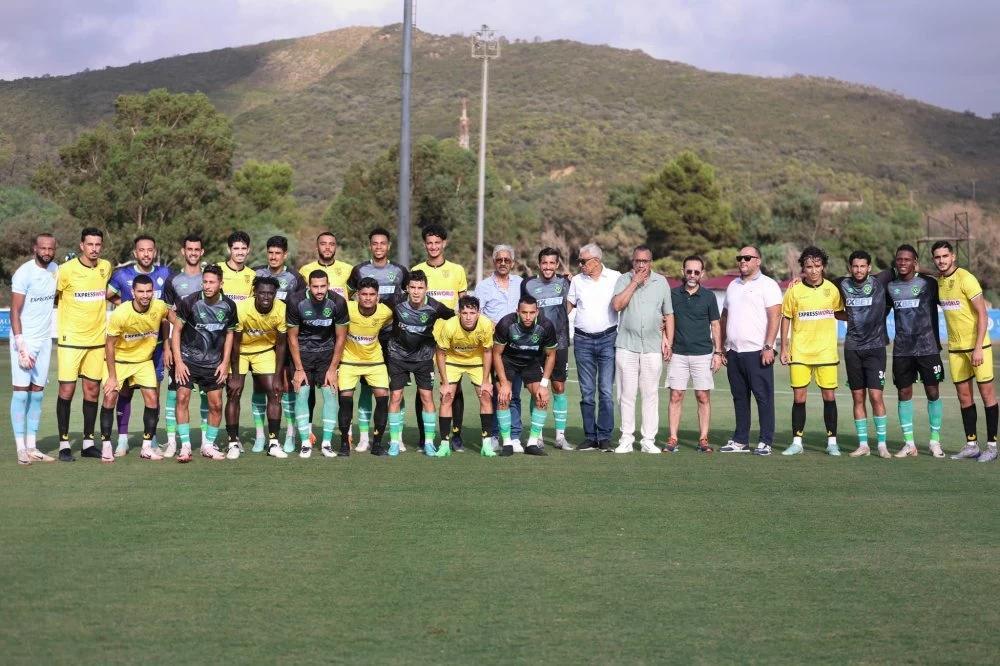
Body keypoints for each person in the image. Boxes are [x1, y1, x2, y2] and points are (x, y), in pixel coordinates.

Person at [932, 241, 999, 461]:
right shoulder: (941, 279)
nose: (941, 260)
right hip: (956, 349)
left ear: (953, 257)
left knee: (987, 394)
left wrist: (978, 347)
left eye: (945, 256)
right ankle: (971, 445)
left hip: (977, 347)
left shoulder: (967, 279)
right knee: (963, 396)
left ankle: (991, 446)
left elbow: (983, 314)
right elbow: (937, 272)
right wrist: (919, 269)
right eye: (937, 257)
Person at [106, 234, 172, 456]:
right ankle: (122, 440)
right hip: (129, 345)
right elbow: (108, 295)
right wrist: (126, 306)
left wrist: (170, 343)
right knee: (124, 392)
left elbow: (166, 312)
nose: (146, 254)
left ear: (155, 252)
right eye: (142, 250)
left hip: (157, 345)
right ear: (135, 253)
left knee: (153, 393)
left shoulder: (164, 273)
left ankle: (150, 439)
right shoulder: (122, 274)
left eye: (150, 250)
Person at [347, 227, 409, 452]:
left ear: (388, 246)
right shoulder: (360, 270)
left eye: (383, 243)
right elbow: (347, 296)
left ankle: (397, 436)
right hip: (366, 337)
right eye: (375, 243)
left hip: (393, 336)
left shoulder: (400, 271)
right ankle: (364, 436)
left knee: (395, 388)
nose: (379, 247)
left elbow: (409, 297)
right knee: (366, 388)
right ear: (370, 246)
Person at [779, 246, 845, 456]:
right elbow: (786, 317)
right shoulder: (794, 290)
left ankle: (832, 442)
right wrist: (784, 347)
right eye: (809, 266)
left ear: (823, 266)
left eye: (817, 266)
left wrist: (862, 316)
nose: (814, 270)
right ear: (803, 269)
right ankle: (797, 443)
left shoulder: (833, 290)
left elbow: (840, 313)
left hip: (826, 352)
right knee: (799, 398)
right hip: (800, 352)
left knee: (829, 397)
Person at [169, 264, 238, 462]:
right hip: (188, 360)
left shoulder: (229, 306)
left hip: (213, 363)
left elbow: (230, 334)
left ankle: (208, 446)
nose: (207, 286)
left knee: (216, 405)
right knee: (182, 398)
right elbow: (178, 331)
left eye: (212, 282)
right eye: (205, 281)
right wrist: (179, 362)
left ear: (221, 284)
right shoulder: (189, 301)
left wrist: (225, 363)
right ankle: (185, 447)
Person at [55, 227, 113, 462]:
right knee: (67, 391)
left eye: (98, 244)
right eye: (90, 244)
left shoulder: (105, 267)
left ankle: (89, 442)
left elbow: (107, 293)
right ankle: (64, 444)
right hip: (70, 341)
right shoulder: (66, 270)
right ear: (82, 246)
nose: (94, 249)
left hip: (97, 342)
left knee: (92, 391)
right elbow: (54, 296)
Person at [718, 246, 782, 455]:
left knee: (763, 398)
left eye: (747, 257)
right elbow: (725, 317)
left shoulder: (768, 285)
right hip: (734, 352)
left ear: (758, 261)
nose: (742, 261)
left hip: (758, 352)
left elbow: (775, 316)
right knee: (739, 398)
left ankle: (765, 441)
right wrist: (721, 347)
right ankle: (740, 440)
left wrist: (768, 346)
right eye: (740, 258)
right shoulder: (732, 285)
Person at [611, 245, 675, 454]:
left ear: (651, 262)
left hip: (652, 347)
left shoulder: (661, 282)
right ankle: (626, 439)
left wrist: (669, 341)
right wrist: (634, 283)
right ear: (632, 262)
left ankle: (648, 440)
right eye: (637, 261)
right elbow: (617, 305)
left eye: (645, 261)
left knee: (650, 395)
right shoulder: (623, 280)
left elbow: (669, 314)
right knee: (626, 394)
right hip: (626, 346)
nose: (641, 265)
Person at [883, 245, 945, 458]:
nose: (902, 263)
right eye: (899, 259)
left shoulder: (928, 284)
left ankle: (935, 442)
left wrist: (927, 270)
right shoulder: (891, 287)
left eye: (907, 260)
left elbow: (944, 275)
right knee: (903, 393)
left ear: (915, 262)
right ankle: (909, 444)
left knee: (933, 392)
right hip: (902, 350)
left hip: (928, 348)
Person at [411, 224, 469, 449]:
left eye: (437, 242)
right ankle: (423, 437)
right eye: (429, 243)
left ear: (444, 243)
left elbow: (464, 304)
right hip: (424, 339)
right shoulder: (417, 269)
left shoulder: (457, 270)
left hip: (452, 340)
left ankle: (455, 435)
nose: (433, 247)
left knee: (455, 388)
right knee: (423, 389)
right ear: (425, 244)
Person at [385, 271, 454, 456]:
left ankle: (429, 442)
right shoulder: (396, 301)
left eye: (420, 288)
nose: (416, 292)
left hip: (423, 357)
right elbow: (374, 307)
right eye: (413, 288)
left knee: (426, 397)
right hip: (397, 355)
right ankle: (393, 442)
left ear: (426, 289)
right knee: (396, 397)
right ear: (407, 288)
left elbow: (455, 317)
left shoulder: (435, 306)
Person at [286, 271, 349, 458]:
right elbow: (292, 337)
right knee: (302, 393)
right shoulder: (295, 301)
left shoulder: (338, 302)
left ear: (328, 285)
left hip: (326, 354)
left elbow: (341, 337)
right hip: (302, 354)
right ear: (309, 286)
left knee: (330, 395)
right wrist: (298, 368)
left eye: (323, 286)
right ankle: (305, 442)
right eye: (315, 286)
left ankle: (327, 444)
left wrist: (332, 368)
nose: (319, 290)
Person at [835, 251, 892, 459]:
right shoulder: (841, 283)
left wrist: (934, 272)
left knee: (876, 396)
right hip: (852, 348)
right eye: (855, 266)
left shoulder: (881, 281)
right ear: (850, 267)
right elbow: (817, 284)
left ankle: (882, 445)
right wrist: (799, 280)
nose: (858, 270)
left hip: (876, 348)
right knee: (857, 396)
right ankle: (863, 445)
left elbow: (907, 267)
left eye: (862, 266)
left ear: (869, 268)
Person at [226, 276, 289, 459]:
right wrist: (236, 375)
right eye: (262, 293)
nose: (266, 297)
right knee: (234, 392)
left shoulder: (281, 309)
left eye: (270, 293)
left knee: (276, 392)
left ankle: (274, 443)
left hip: (264, 351)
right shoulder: (242, 308)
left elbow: (281, 345)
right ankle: (232, 443)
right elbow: (235, 344)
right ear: (255, 293)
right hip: (240, 352)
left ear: (275, 294)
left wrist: (278, 377)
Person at [666, 255, 723, 453]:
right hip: (678, 354)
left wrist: (718, 352)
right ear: (683, 272)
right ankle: (673, 438)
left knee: (702, 396)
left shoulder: (709, 297)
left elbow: (715, 324)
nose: (692, 275)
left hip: (703, 354)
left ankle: (703, 439)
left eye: (696, 272)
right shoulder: (672, 295)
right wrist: (665, 340)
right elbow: (664, 320)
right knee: (676, 395)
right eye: (689, 271)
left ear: (702, 274)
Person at [9, 233, 58, 466]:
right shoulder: (23, 273)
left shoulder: (56, 270)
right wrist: (21, 345)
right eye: (43, 248)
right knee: (21, 393)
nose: (47, 252)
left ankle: (32, 447)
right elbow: (15, 311)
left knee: (37, 394)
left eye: (50, 248)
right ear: (34, 248)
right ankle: (20, 448)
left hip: (45, 340)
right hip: (24, 340)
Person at [567, 243, 620, 452]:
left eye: (583, 261)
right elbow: (568, 306)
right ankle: (590, 436)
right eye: (579, 261)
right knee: (587, 392)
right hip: (582, 341)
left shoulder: (616, 277)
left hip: (608, 339)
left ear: (596, 261)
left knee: (606, 391)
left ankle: (605, 436)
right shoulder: (577, 281)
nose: (580, 265)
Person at [252, 235, 302, 453]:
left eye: (278, 253)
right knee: (260, 387)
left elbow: (300, 306)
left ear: (285, 255)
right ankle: (259, 435)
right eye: (270, 253)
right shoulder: (256, 274)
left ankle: (290, 433)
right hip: (261, 340)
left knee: (285, 386)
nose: (273, 257)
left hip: (285, 338)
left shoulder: (295, 278)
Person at [493, 295, 558, 456]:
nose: (528, 317)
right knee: (504, 397)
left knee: (542, 398)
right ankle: (507, 443)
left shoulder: (546, 325)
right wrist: (504, 383)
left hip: (531, 362)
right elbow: (496, 354)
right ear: (517, 312)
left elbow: (551, 355)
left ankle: (532, 443)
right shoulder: (506, 323)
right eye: (524, 313)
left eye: (531, 312)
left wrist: (543, 385)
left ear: (537, 312)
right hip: (508, 361)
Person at [522, 247, 573, 450]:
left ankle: (561, 437)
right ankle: (538, 435)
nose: (548, 267)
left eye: (552, 263)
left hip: (559, 343)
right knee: (537, 390)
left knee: (558, 388)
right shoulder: (528, 284)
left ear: (557, 264)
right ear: (539, 264)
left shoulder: (565, 282)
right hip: (535, 345)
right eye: (545, 263)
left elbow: (571, 304)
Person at [161, 234, 207, 458]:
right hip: (180, 345)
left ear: (202, 252)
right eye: (189, 249)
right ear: (183, 251)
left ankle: (208, 441)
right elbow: (165, 313)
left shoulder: (209, 279)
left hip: (208, 349)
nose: (193, 253)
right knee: (175, 394)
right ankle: (172, 441)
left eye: (197, 249)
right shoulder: (173, 280)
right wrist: (168, 348)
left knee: (208, 395)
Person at [337, 278, 393, 457]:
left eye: (372, 295)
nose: (368, 298)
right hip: (349, 361)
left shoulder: (386, 311)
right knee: (345, 400)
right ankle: (345, 443)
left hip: (374, 361)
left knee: (383, 398)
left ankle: (377, 444)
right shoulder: (347, 308)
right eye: (364, 294)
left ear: (378, 296)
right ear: (357, 296)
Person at [435, 296, 496, 457]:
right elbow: (440, 354)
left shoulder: (485, 325)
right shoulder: (449, 326)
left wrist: (485, 381)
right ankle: (444, 444)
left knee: (486, 396)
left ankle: (487, 444)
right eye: (465, 313)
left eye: (472, 312)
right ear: (458, 313)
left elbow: (488, 351)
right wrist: (445, 383)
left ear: (478, 313)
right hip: (453, 360)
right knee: (447, 397)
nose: (468, 317)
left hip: (476, 361)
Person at [477, 245, 525, 447]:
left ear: (512, 263)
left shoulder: (521, 283)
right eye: (499, 260)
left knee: (514, 393)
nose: (503, 263)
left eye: (507, 260)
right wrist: (492, 324)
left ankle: (514, 436)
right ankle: (495, 434)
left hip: (518, 349)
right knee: (496, 393)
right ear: (494, 262)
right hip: (494, 347)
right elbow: (476, 314)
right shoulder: (483, 286)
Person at [298, 231, 352, 300]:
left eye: (331, 244)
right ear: (317, 247)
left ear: (336, 247)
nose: (327, 247)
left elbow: (352, 292)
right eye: (323, 244)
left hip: (341, 310)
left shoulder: (348, 269)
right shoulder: (305, 270)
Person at [218, 230, 255, 303]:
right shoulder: (217, 268)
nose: (240, 252)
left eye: (243, 248)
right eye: (236, 248)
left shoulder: (252, 275)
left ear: (248, 250)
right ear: (229, 250)